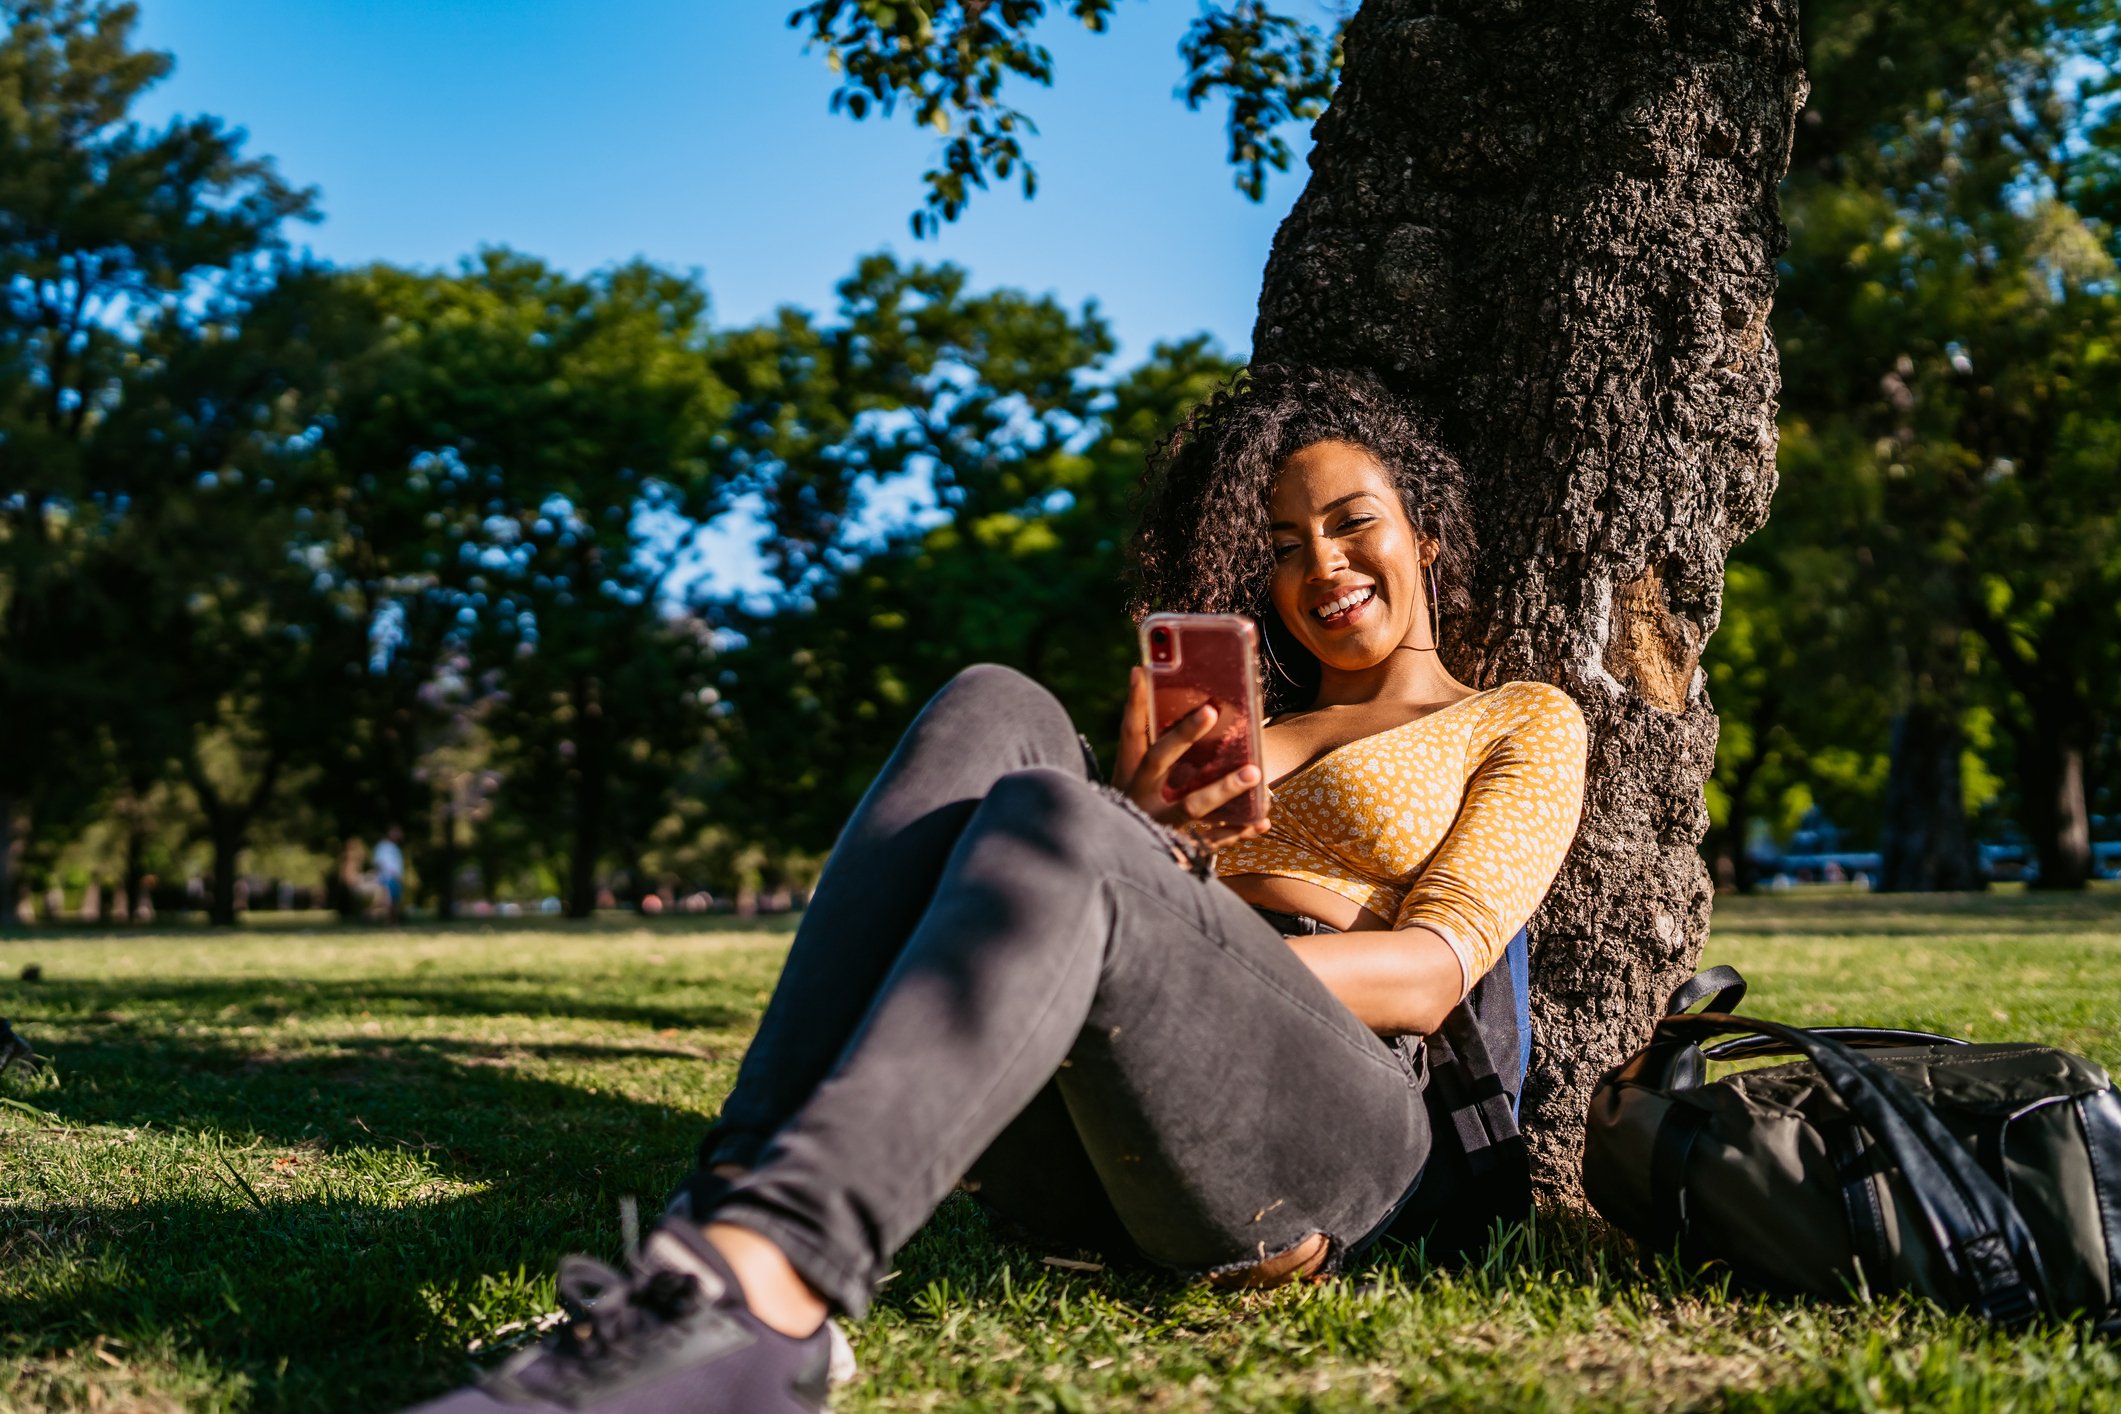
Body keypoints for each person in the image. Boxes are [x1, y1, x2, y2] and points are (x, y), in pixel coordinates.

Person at [410, 366, 1588, 1414]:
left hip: (1337, 1118)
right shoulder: (1242, 727)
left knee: (1062, 824)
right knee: (1000, 705)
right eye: (1283, 543)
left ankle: (768, 1291)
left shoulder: (1516, 718)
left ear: (1424, 533)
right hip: (1120, 1115)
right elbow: (1114, 885)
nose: (1319, 565)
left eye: (1350, 522)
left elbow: (1435, 975)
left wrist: (1130, 915)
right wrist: (1148, 835)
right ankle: (704, 1248)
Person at [374, 826, 406, 926]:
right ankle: (387, 922)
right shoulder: (382, 846)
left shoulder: (395, 848)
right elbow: (379, 863)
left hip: (396, 878)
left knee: (395, 901)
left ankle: (394, 922)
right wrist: (383, 877)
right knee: (388, 901)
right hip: (387, 878)